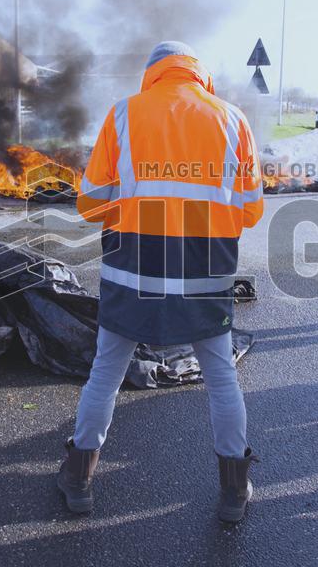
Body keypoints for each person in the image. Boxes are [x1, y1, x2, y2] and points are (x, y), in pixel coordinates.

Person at [58, 41, 264, 522]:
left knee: (106, 373)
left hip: (133, 271)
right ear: (197, 72)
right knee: (221, 378)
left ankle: (79, 479)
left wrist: (132, 203)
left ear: (152, 73)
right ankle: (234, 490)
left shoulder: (123, 115)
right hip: (205, 272)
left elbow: (90, 205)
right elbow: (251, 210)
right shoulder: (233, 119)